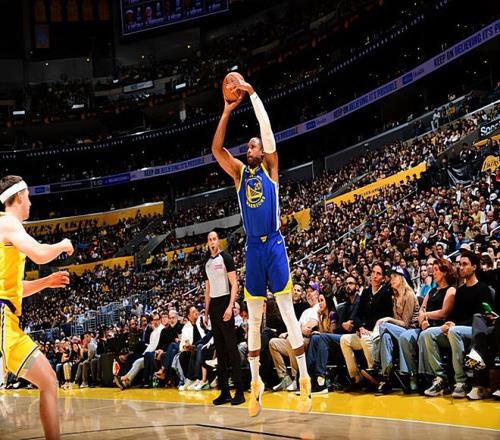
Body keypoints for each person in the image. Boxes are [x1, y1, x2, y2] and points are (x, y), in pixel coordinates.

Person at [211, 78, 311, 416]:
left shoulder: (270, 168)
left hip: (275, 245)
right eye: (249, 146)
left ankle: (304, 380)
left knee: (286, 311)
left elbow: (267, 131)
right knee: (253, 319)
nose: (249, 148)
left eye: (253, 146)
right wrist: (227, 111)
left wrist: (253, 93)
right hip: (253, 249)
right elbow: (216, 150)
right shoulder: (240, 174)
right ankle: (256, 386)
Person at [0, 175, 74, 440]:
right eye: (28, 197)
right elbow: (41, 254)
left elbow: (13, 289)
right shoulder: (8, 223)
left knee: (48, 380)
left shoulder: (7, 228)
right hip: (2, 320)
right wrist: (63, 245)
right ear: (20, 196)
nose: (30, 202)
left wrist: (46, 282)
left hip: (7, 317)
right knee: (48, 380)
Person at [203, 231, 245, 406]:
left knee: (231, 349)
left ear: (218, 241)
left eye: (214, 239)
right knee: (219, 351)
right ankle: (225, 392)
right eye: (209, 240)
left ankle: (240, 392)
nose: (212, 242)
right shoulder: (206, 262)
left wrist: (230, 306)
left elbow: (235, 283)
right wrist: (206, 312)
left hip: (225, 303)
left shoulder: (226, 257)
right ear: (207, 243)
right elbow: (207, 289)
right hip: (213, 307)